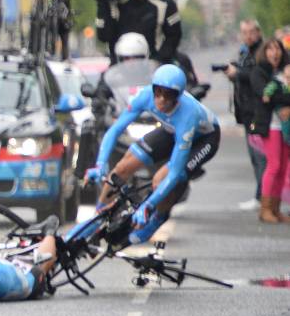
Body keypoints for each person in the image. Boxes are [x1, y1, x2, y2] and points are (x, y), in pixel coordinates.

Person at [86, 64, 220, 245]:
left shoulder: (188, 115)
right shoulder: (145, 95)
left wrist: (148, 206)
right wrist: (100, 164)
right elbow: (115, 130)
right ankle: (99, 213)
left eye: (169, 95)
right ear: (153, 88)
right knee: (123, 167)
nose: (162, 100)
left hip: (204, 139)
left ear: (178, 97)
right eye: (158, 92)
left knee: (162, 179)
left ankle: (158, 217)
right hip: (171, 130)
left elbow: (173, 172)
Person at [224, 20, 265, 211]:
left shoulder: (263, 51)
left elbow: (257, 75)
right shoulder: (244, 52)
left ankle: (263, 196)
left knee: (260, 156)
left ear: (258, 32)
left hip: (257, 111)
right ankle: (262, 195)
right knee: (254, 156)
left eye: (251, 32)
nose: (248, 36)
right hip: (246, 111)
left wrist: (238, 73)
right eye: (244, 32)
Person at [249, 38, 290, 223]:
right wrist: (282, 98)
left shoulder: (284, 71)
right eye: (270, 49)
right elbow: (265, 94)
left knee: (282, 167)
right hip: (271, 125)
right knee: (273, 165)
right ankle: (264, 208)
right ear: (264, 53)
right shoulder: (259, 72)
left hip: (286, 126)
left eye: (278, 49)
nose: (275, 53)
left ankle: (276, 208)